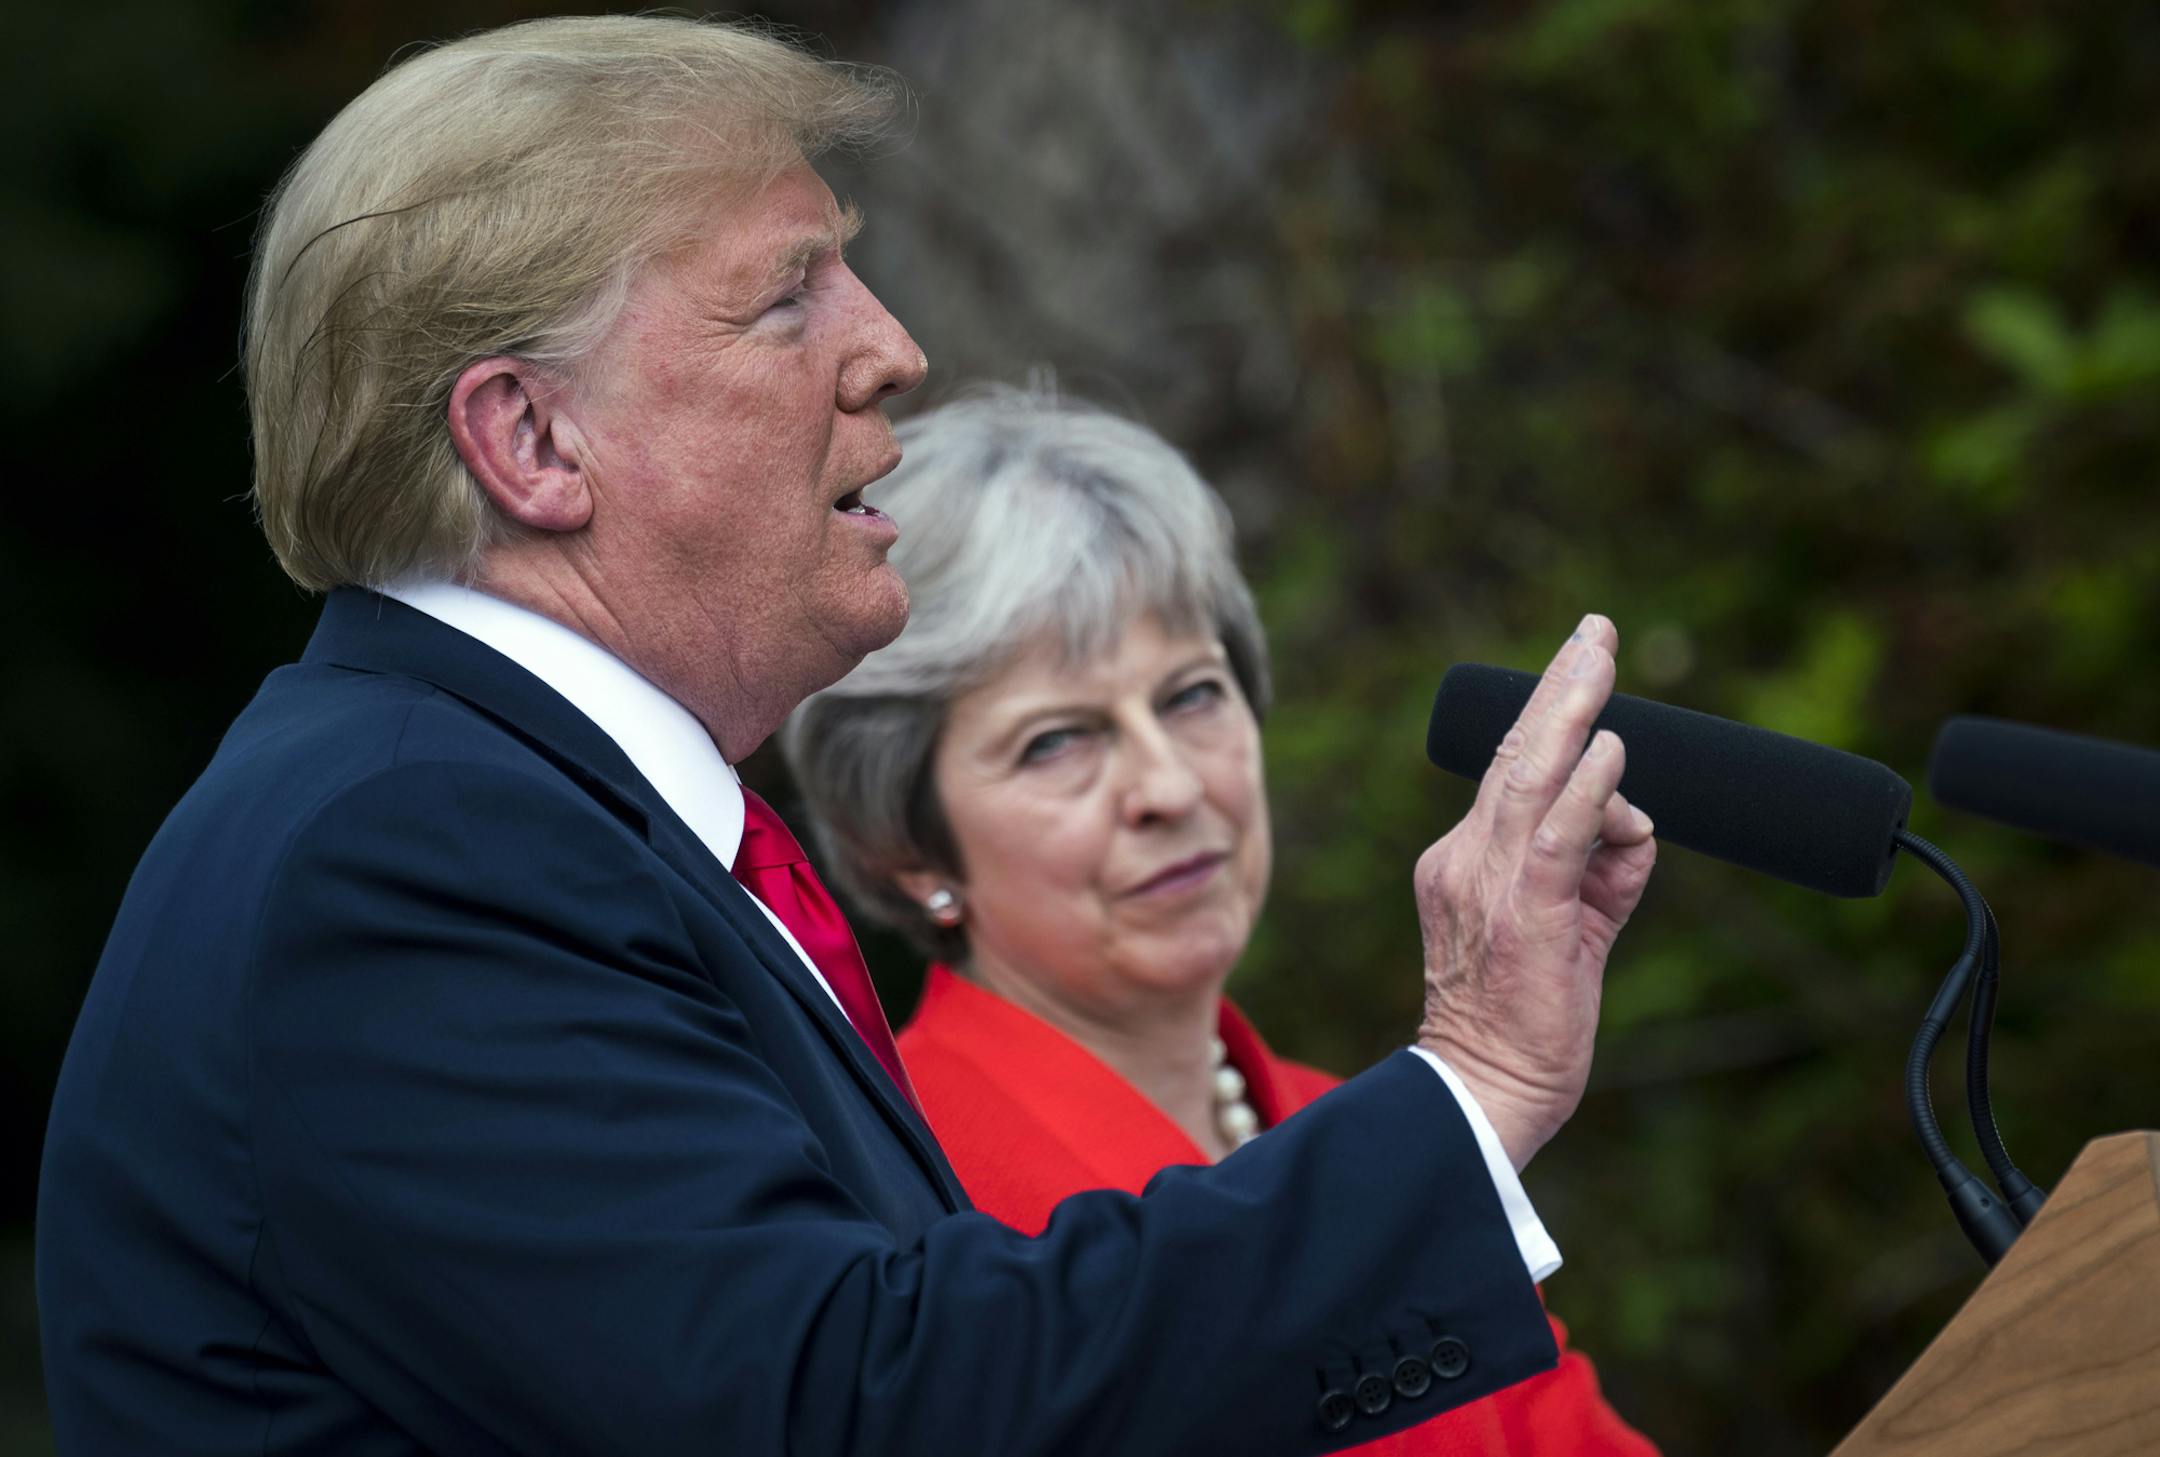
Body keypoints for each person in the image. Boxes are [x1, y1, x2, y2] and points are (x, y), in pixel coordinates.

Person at [36, 17, 1658, 1457]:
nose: (892, 346)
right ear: (531, 438)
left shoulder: (524, 809)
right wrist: (1479, 1080)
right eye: (789, 292)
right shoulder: (406, 847)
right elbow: (856, 1404)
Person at [783, 387, 1660, 1455]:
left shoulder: (1347, 1123)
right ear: (903, 844)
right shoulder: (902, 1192)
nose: (1166, 785)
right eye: (1056, 741)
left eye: (1192, 694)